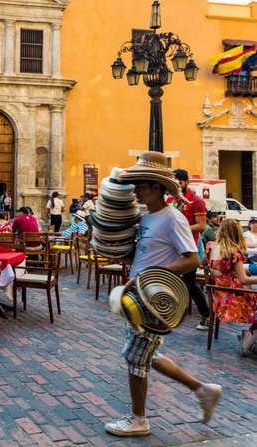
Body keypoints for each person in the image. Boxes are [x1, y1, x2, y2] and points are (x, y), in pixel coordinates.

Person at [104, 152, 222, 437]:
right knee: (147, 355)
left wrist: (146, 275)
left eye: (141, 186)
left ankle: (139, 420)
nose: (135, 191)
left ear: (157, 187)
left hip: (156, 298)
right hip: (138, 297)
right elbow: (144, 253)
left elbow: (192, 259)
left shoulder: (174, 218)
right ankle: (203, 390)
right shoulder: (146, 218)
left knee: (134, 356)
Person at [203, 218, 257, 356]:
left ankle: (250, 336)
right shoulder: (234, 252)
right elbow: (244, 280)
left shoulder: (210, 246)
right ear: (237, 232)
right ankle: (249, 336)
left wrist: (214, 271)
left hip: (218, 296)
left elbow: (203, 264)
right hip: (232, 298)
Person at [167, 169, 210, 331]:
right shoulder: (170, 199)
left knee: (191, 283)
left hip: (188, 248)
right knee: (170, 280)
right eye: (173, 182)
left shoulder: (196, 201)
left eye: (179, 182)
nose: (176, 185)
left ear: (187, 182)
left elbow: (201, 225)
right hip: (172, 247)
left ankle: (206, 316)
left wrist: (179, 229)